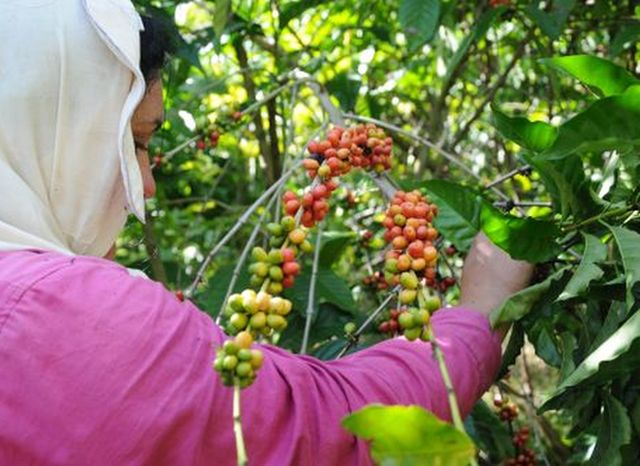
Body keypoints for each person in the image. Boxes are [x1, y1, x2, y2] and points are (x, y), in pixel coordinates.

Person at [0, 2, 533, 465]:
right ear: (47, 131)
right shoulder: (62, 308)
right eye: (136, 143)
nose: (147, 185)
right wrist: (478, 313)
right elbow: (323, 431)